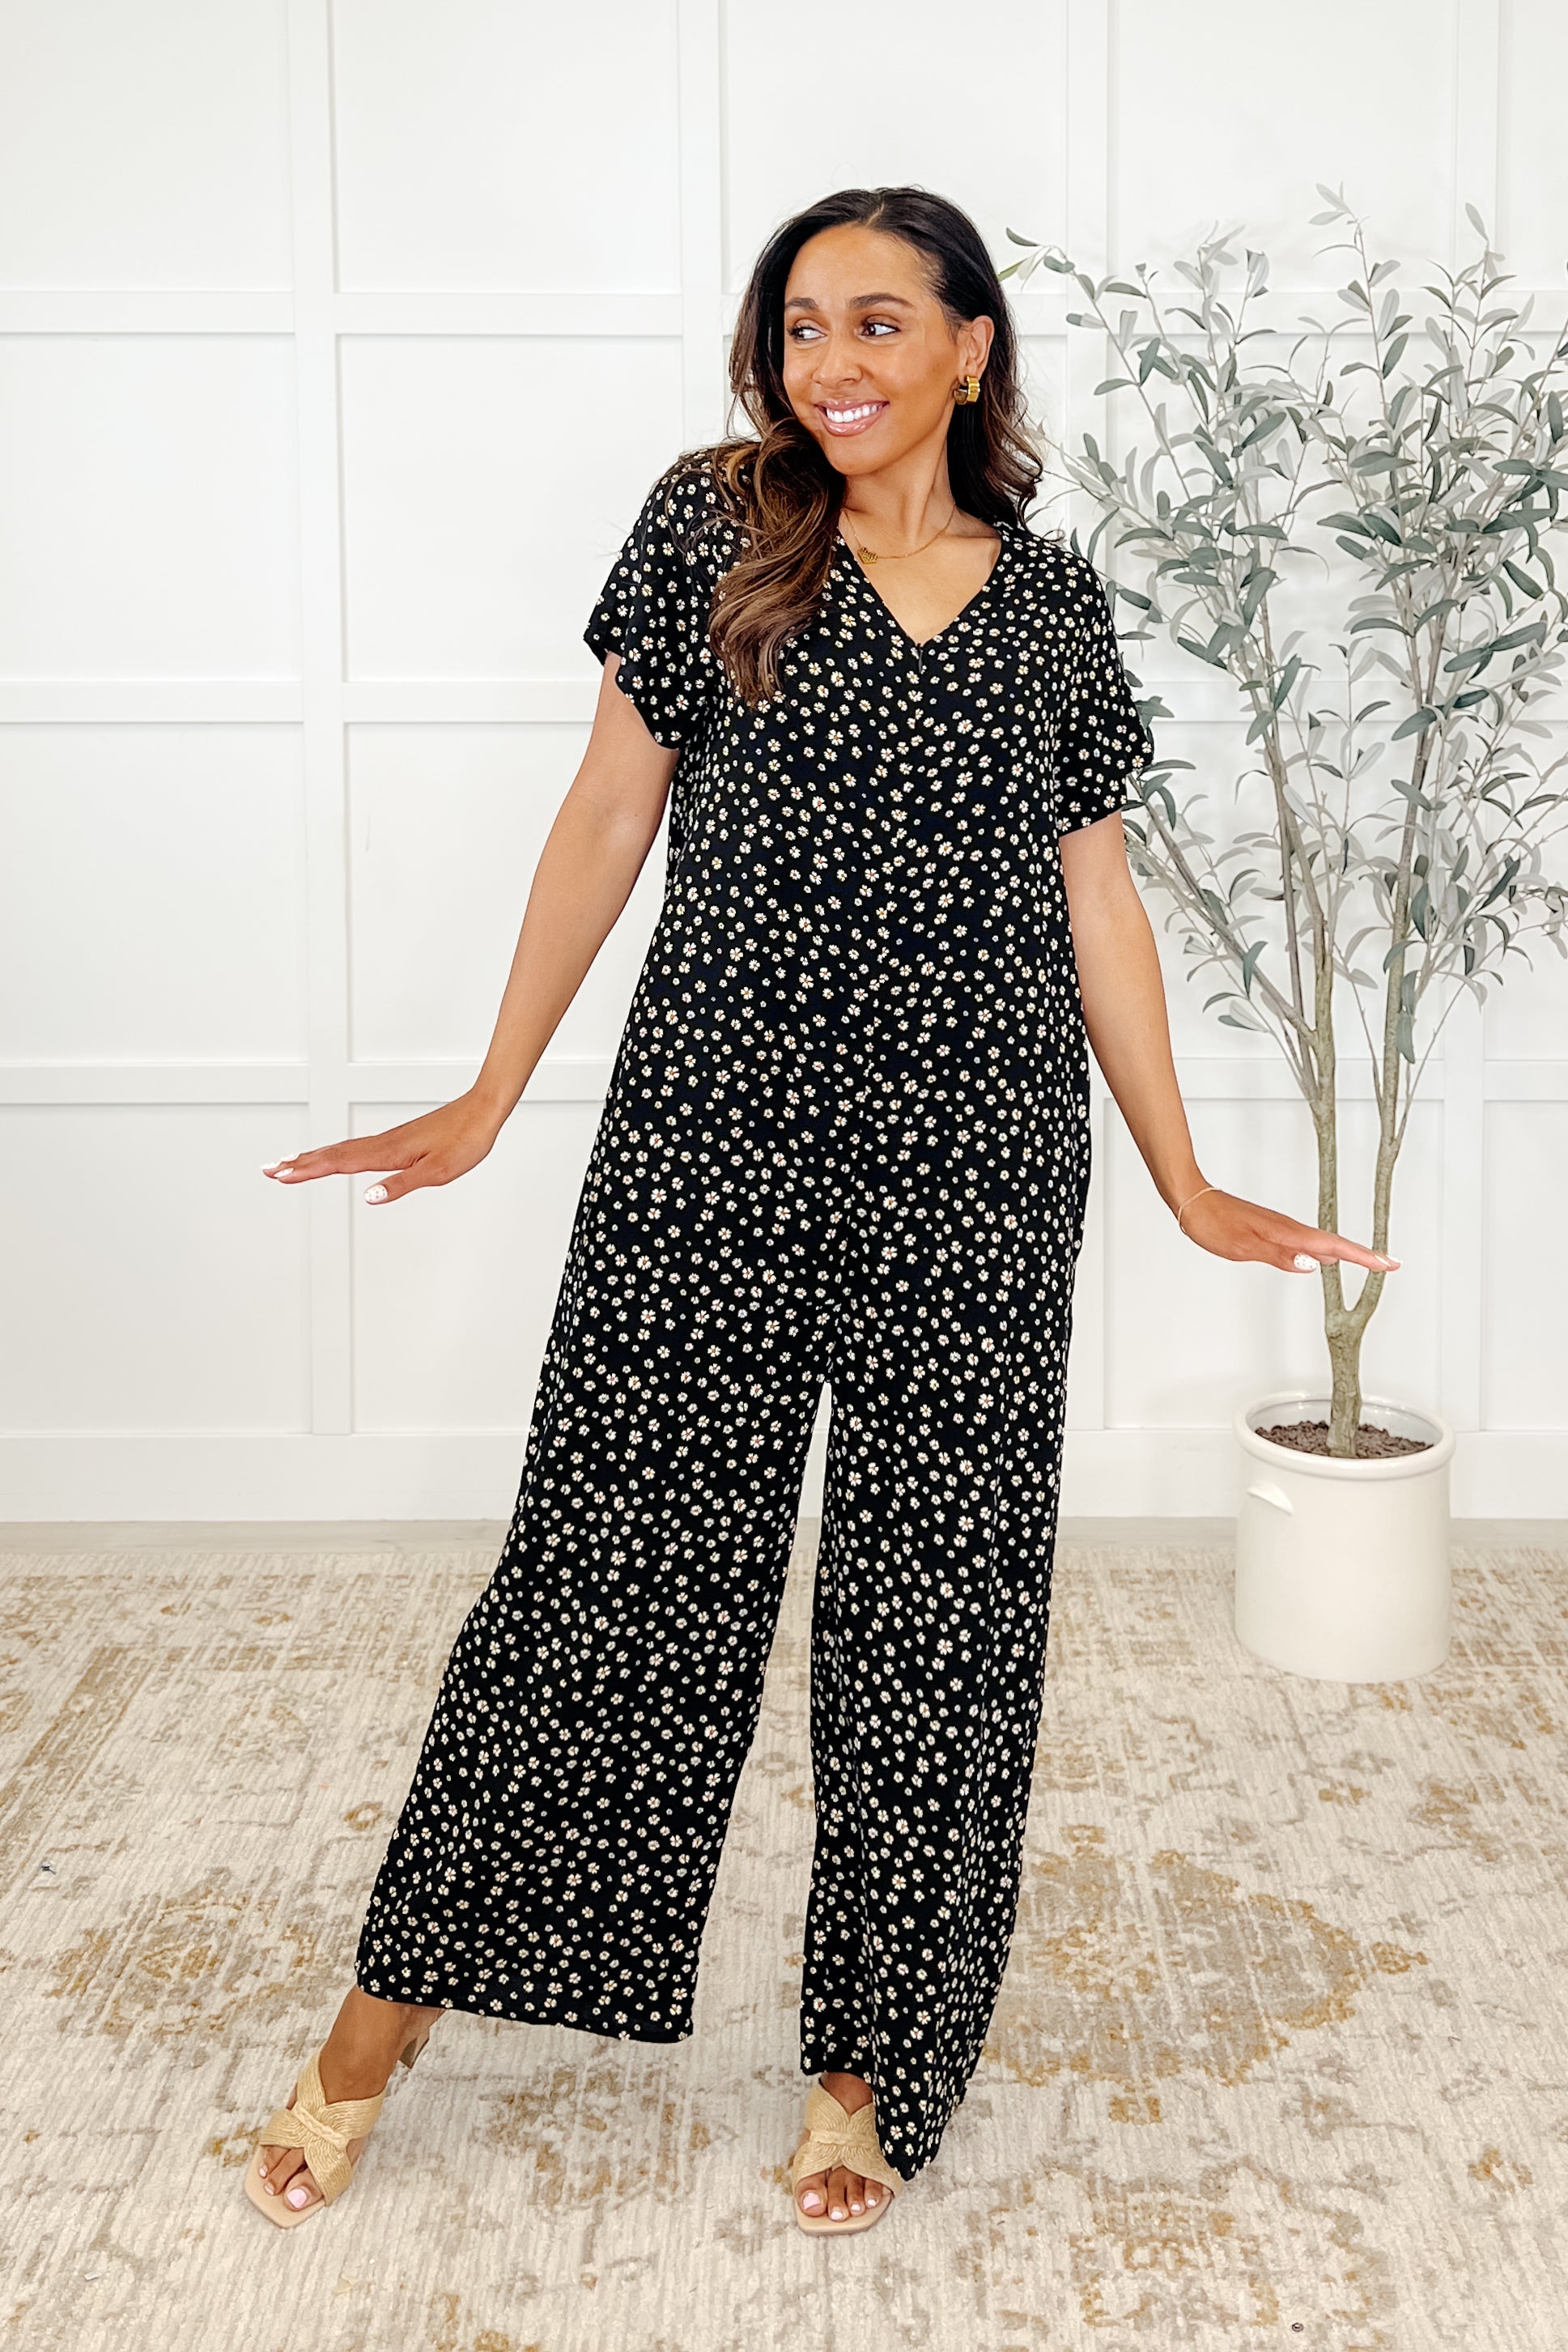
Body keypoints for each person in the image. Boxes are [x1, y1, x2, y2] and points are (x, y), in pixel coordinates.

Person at [240, 185, 1398, 2239]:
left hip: (979, 1163)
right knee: (608, 1577)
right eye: (799, 326)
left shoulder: (1051, 606)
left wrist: (1188, 1176)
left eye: (876, 320)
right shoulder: (715, 527)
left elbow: (1100, 899)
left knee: (936, 1619)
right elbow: (610, 810)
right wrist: (492, 1090)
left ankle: (862, 2069)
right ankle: (376, 2027)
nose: (830, 363)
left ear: (971, 346)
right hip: (714, 1141)